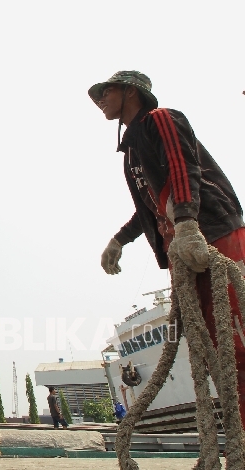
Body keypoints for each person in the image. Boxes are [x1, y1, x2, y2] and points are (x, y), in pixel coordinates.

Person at [91, 71, 245, 425]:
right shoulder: (131, 153)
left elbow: (182, 167)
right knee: (218, 352)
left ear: (132, 92)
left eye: (107, 91)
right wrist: (119, 240)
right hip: (180, 247)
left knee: (237, 334)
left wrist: (189, 223)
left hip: (212, 234)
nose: (100, 99)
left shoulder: (161, 120)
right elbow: (147, 208)